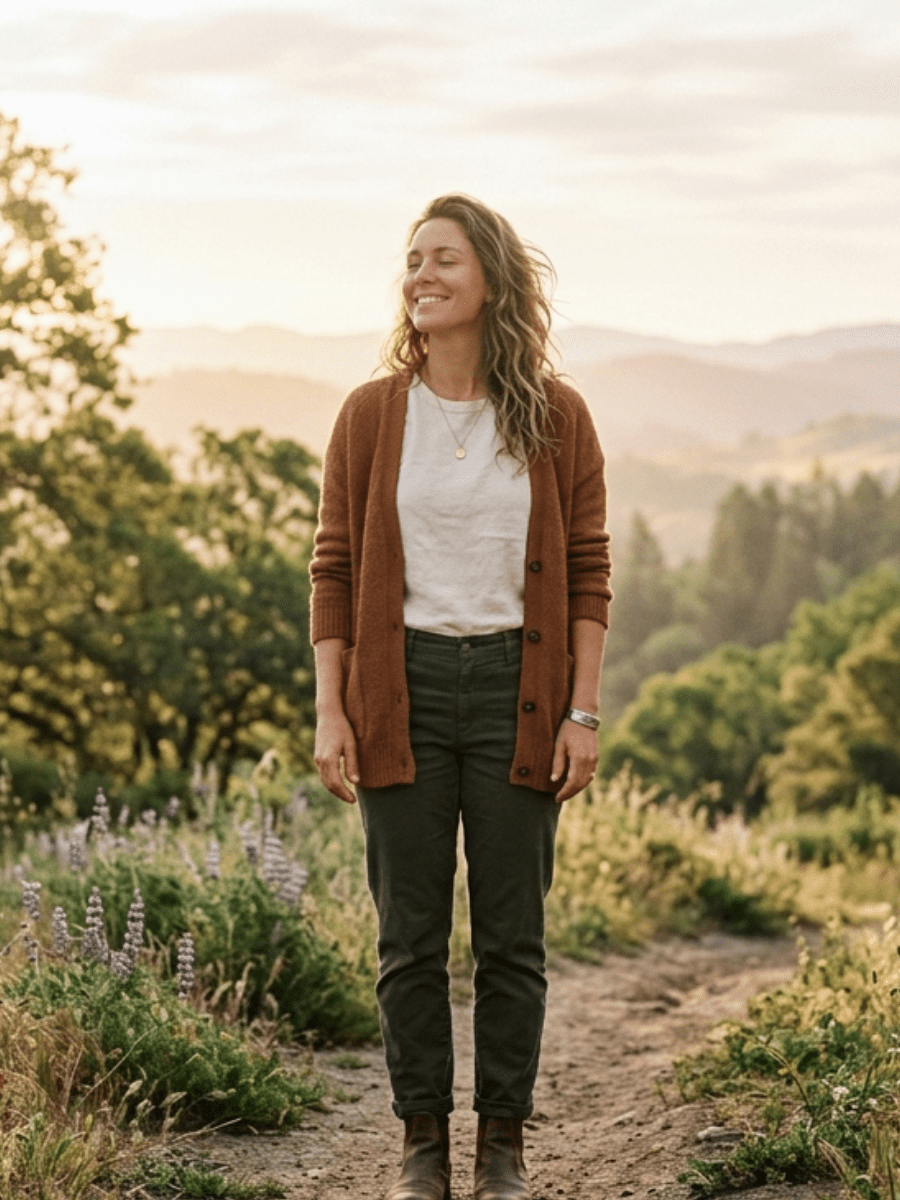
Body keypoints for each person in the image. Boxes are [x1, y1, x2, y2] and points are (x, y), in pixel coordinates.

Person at [310, 194, 611, 1200]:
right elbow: (335, 569)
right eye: (411, 261)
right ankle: (422, 1147)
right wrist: (330, 707)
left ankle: (504, 1152)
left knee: (512, 938)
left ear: (489, 279)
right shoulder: (369, 413)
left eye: (441, 259)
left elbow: (587, 572)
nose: (420, 276)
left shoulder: (557, 416)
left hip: (518, 699)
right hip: (401, 691)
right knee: (409, 939)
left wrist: (583, 710)